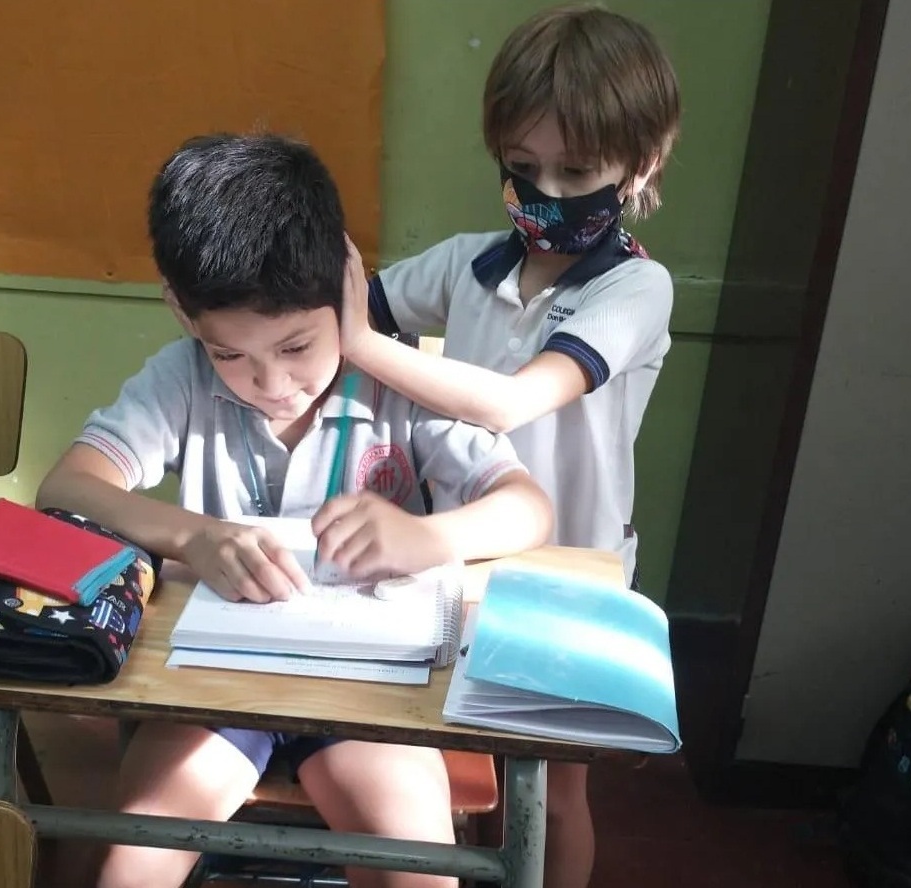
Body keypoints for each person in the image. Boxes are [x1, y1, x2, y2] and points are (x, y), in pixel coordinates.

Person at [35, 132, 554, 888]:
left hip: (364, 693)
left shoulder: (399, 383)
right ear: (182, 313)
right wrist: (194, 535)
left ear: (347, 291)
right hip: (215, 688)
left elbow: (528, 509)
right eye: (231, 355)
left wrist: (424, 537)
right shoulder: (180, 379)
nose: (272, 383)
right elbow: (65, 488)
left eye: (297, 346)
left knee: (418, 870)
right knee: (129, 866)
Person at [337, 6, 681, 886]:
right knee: (457, 767)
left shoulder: (636, 290)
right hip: (456, 559)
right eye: (522, 168)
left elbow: (511, 402)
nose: (545, 193)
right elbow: (344, 309)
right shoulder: (469, 264)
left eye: (577, 170)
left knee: (551, 794)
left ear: (641, 163)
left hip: (568, 575)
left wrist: (357, 340)